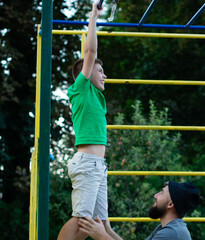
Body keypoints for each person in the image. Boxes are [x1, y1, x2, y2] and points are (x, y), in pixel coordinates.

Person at [57, 2, 109, 240]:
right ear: (84, 75)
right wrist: (93, 17)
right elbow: (90, 53)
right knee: (81, 219)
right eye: (100, 71)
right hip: (87, 163)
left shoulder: (97, 98)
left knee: (100, 224)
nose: (104, 75)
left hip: (98, 167)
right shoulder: (80, 89)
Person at [78, 181, 200, 240]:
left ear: (170, 204)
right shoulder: (166, 228)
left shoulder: (173, 233)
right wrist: (108, 231)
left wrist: (101, 236)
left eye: (161, 193)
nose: (155, 196)